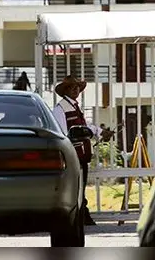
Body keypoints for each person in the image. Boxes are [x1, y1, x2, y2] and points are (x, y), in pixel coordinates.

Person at [52, 75, 99, 226]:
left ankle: (81, 214)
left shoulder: (74, 107)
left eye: (77, 87)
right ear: (65, 91)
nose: (75, 90)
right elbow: (63, 134)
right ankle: (80, 215)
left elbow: (85, 126)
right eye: (72, 87)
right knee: (77, 186)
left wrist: (99, 132)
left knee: (81, 185)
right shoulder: (60, 109)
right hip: (73, 154)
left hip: (82, 155)